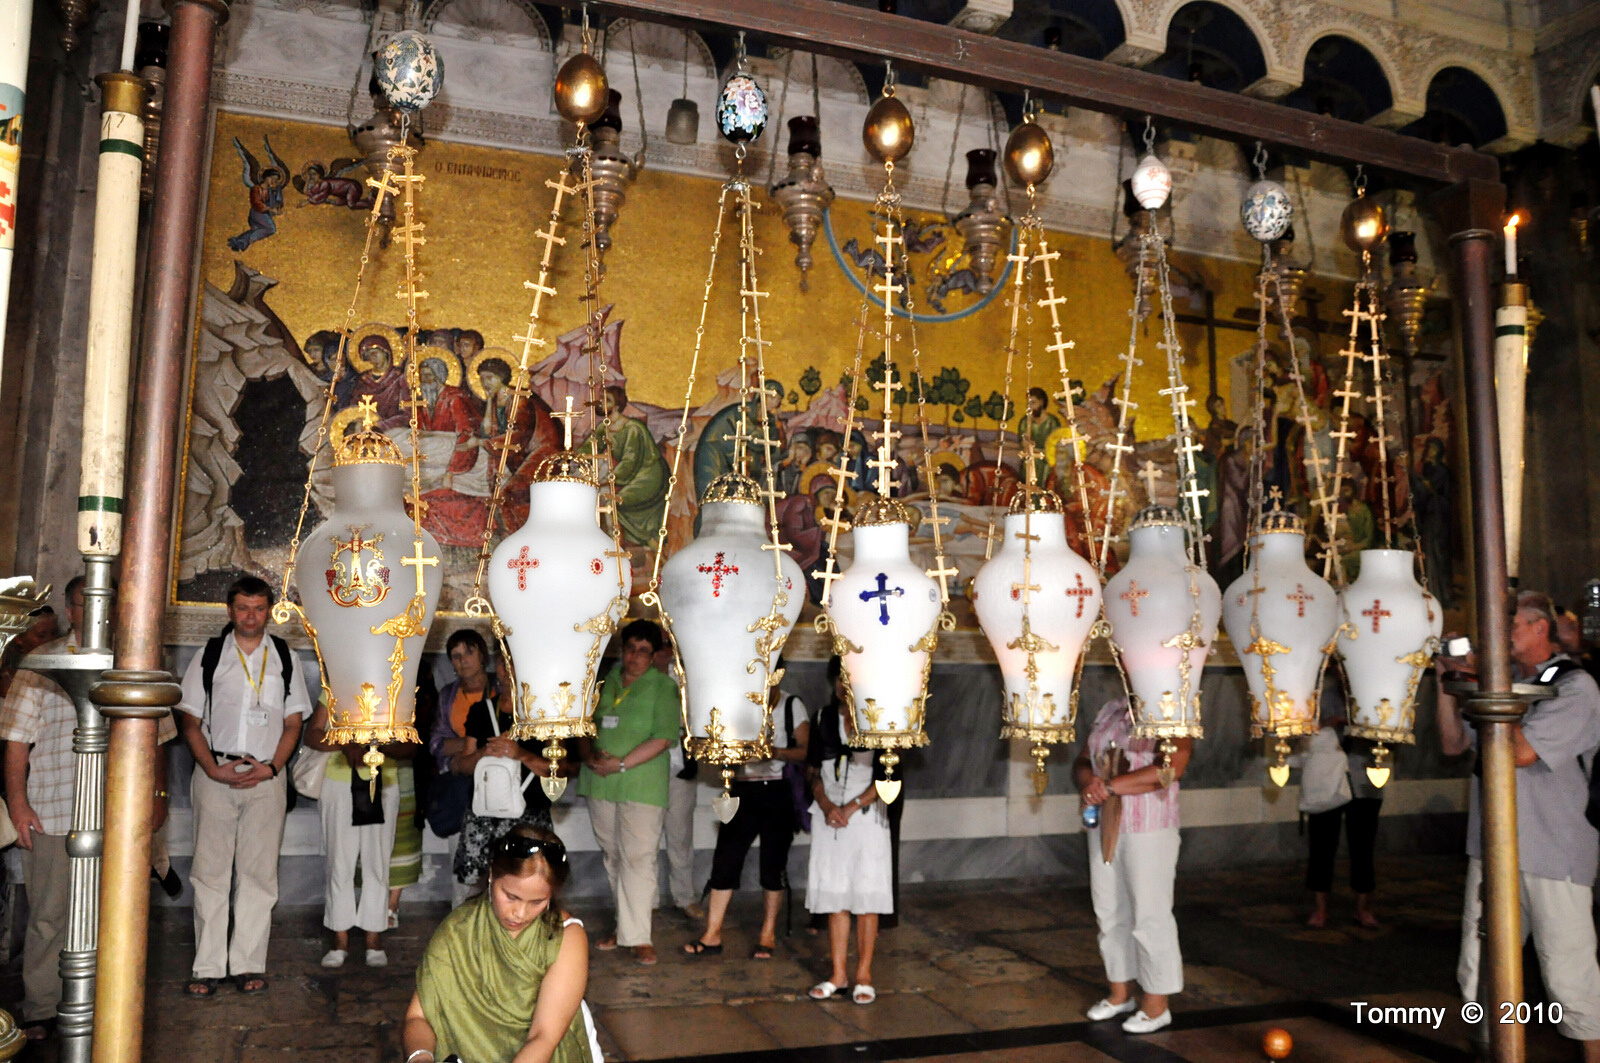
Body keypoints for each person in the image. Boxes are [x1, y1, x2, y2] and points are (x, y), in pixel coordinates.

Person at [1, 579, 173, 1037]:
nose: (97, 611)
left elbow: (158, 737)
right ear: (71, 610)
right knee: (48, 916)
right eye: (86, 603)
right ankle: (40, 1008)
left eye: (105, 603)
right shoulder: (42, 661)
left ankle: (105, 1005)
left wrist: (158, 796)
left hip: (119, 813)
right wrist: (18, 806)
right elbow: (16, 743)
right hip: (55, 808)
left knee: (113, 913)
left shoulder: (134, 659)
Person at [1438, 591, 1600, 1057]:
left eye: (1508, 626)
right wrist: (1447, 682)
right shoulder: (1504, 682)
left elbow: (1521, 753)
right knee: (1481, 971)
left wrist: (1485, 684)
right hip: (1491, 847)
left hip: (1553, 851)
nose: (1498, 636)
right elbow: (1452, 743)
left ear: (1539, 629)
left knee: (1570, 974)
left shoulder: (1576, 687)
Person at [175, 576, 309, 996]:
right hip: (217, 773)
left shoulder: (283, 655)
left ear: (269, 611)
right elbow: (190, 720)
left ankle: (248, 964)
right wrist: (210, 768)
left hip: (266, 777)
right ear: (229, 611)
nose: (251, 616)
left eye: (259, 608)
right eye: (243, 608)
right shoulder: (210, 655)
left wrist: (273, 768)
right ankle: (208, 966)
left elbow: (293, 722)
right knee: (210, 873)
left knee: (258, 875)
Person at [403, 827, 602, 1063]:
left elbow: (543, 1037)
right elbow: (419, 1017)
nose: (519, 913)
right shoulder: (458, 929)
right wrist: (420, 1057)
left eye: (537, 902)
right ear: (491, 876)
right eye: (511, 896)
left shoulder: (565, 937)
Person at [1072, 695, 1191, 1034]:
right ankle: (1119, 993)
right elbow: (1084, 758)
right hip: (1105, 822)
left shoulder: (1174, 708)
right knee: (1108, 909)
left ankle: (1156, 1005)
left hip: (1149, 826)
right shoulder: (1110, 707)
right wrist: (1089, 784)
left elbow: (1171, 768)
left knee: (1149, 914)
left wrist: (1108, 786)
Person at [577, 620, 680, 966]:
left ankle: (639, 937)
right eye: (630, 649)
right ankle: (624, 927)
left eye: (643, 652)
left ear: (654, 657)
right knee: (614, 856)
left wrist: (621, 764)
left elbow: (663, 738)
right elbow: (585, 724)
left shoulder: (663, 687)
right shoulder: (605, 683)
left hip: (641, 783)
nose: (634, 657)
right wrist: (591, 755)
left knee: (638, 857)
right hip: (601, 780)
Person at [685, 681, 809, 960]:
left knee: (772, 864)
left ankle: (768, 934)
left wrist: (775, 752)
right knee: (726, 859)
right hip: (742, 787)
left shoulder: (791, 705)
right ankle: (712, 934)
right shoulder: (741, 702)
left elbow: (805, 750)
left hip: (777, 788)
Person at [804, 657, 891, 1004]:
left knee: (866, 896)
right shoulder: (823, 718)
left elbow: (891, 780)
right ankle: (838, 974)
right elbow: (811, 771)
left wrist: (852, 807)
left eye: (851, 677)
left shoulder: (883, 718)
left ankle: (864, 974)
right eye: (839, 677)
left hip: (867, 819)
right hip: (828, 819)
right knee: (834, 894)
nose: (843, 684)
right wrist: (827, 805)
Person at [305, 694, 408, 968]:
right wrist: (344, 743)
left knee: (377, 863)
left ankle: (373, 937)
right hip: (338, 783)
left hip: (383, 781)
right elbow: (312, 734)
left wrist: (377, 747)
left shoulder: (396, 687)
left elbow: (410, 742)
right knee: (340, 863)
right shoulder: (334, 686)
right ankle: (340, 939)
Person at [1302, 676, 1382, 929]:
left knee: (1364, 846)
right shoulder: (1318, 694)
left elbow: (1390, 733)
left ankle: (1363, 908)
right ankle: (1320, 908)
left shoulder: (1376, 691)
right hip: (1327, 780)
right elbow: (1301, 732)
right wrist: (1329, 724)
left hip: (1364, 778)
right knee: (1322, 845)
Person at [654, 642, 703, 922]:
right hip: (645, 766)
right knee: (644, 837)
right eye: (658, 647)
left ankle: (685, 897)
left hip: (678, 764)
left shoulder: (684, 677)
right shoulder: (637, 678)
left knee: (680, 835)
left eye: (666, 647)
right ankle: (645, 901)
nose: (664, 653)